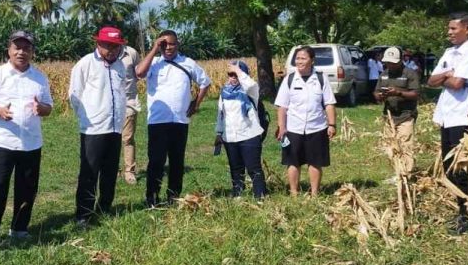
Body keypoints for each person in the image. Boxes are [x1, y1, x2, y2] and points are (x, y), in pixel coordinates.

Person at [0, 31, 53, 249]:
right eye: (17, 47)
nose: (21, 52)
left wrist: (41, 108)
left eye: (26, 48)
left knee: (26, 188)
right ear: (9, 50)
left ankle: (19, 229)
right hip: (3, 141)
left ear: (32, 52)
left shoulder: (40, 78)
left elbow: (48, 108)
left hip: (31, 142)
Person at [135, 30, 211, 207]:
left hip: (180, 121)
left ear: (178, 44)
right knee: (156, 161)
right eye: (164, 44)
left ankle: (173, 197)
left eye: (172, 44)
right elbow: (139, 72)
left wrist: (196, 103)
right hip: (157, 121)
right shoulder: (154, 63)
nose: (168, 47)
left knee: (177, 161)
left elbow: (205, 82)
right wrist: (154, 49)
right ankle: (152, 198)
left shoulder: (188, 63)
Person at [427, 12, 468, 235]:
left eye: (453, 28)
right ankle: (462, 210)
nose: (449, 32)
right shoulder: (449, 52)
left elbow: (458, 83)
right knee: (449, 168)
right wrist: (446, 75)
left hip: (465, 116)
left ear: (467, 29)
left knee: (463, 169)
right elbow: (431, 81)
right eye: (449, 28)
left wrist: (446, 76)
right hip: (447, 116)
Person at [69, 27, 128, 226]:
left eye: (116, 46)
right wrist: (88, 118)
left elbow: (122, 94)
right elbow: (74, 96)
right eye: (107, 45)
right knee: (89, 172)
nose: (111, 50)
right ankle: (83, 215)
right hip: (93, 128)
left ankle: (104, 208)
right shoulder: (85, 64)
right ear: (98, 44)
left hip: (114, 127)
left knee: (110, 171)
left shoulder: (120, 66)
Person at [274, 46, 337, 197]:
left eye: (303, 58)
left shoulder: (321, 78)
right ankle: (294, 193)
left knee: (315, 162)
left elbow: (328, 103)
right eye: (297, 58)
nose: (299, 61)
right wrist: (282, 127)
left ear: (312, 60)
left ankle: (315, 193)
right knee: (293, 161)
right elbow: (282, 106)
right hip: (293, 128)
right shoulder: (289, 79)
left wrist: (332, 124)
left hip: (317, 127)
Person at [214, 60, 267, 200]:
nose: (233, 77)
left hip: (249, 134)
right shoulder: (224, 92)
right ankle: (238, 193)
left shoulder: (250, 91)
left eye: (236, 74)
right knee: (235, 168)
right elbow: (221, 114)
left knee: (253, 168)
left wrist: (239, 71)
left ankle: (260, 195)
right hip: (230, 136)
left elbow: (251, 84)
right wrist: (219, 133)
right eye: (230, 74)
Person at [373, 46, 421, 178]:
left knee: (405, 145)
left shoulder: (410, 74)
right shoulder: (384, 75)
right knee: (390, 147)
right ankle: (397, 172)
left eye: (393, 62)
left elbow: (416, 94)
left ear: (400, 60)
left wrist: (398, 92)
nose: (391, 65)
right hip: (389, 115)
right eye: (388, 62)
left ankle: (406, 174)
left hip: (406, 115)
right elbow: (376, 92)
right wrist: (380, 96)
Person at [118, 45, 141, 185]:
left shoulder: (131, 53)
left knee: (127, 138)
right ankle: (112, 168)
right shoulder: (105, 54)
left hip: (128, 102)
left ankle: (129, 172)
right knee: (110, 138)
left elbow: (139, 73)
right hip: (108, 103)